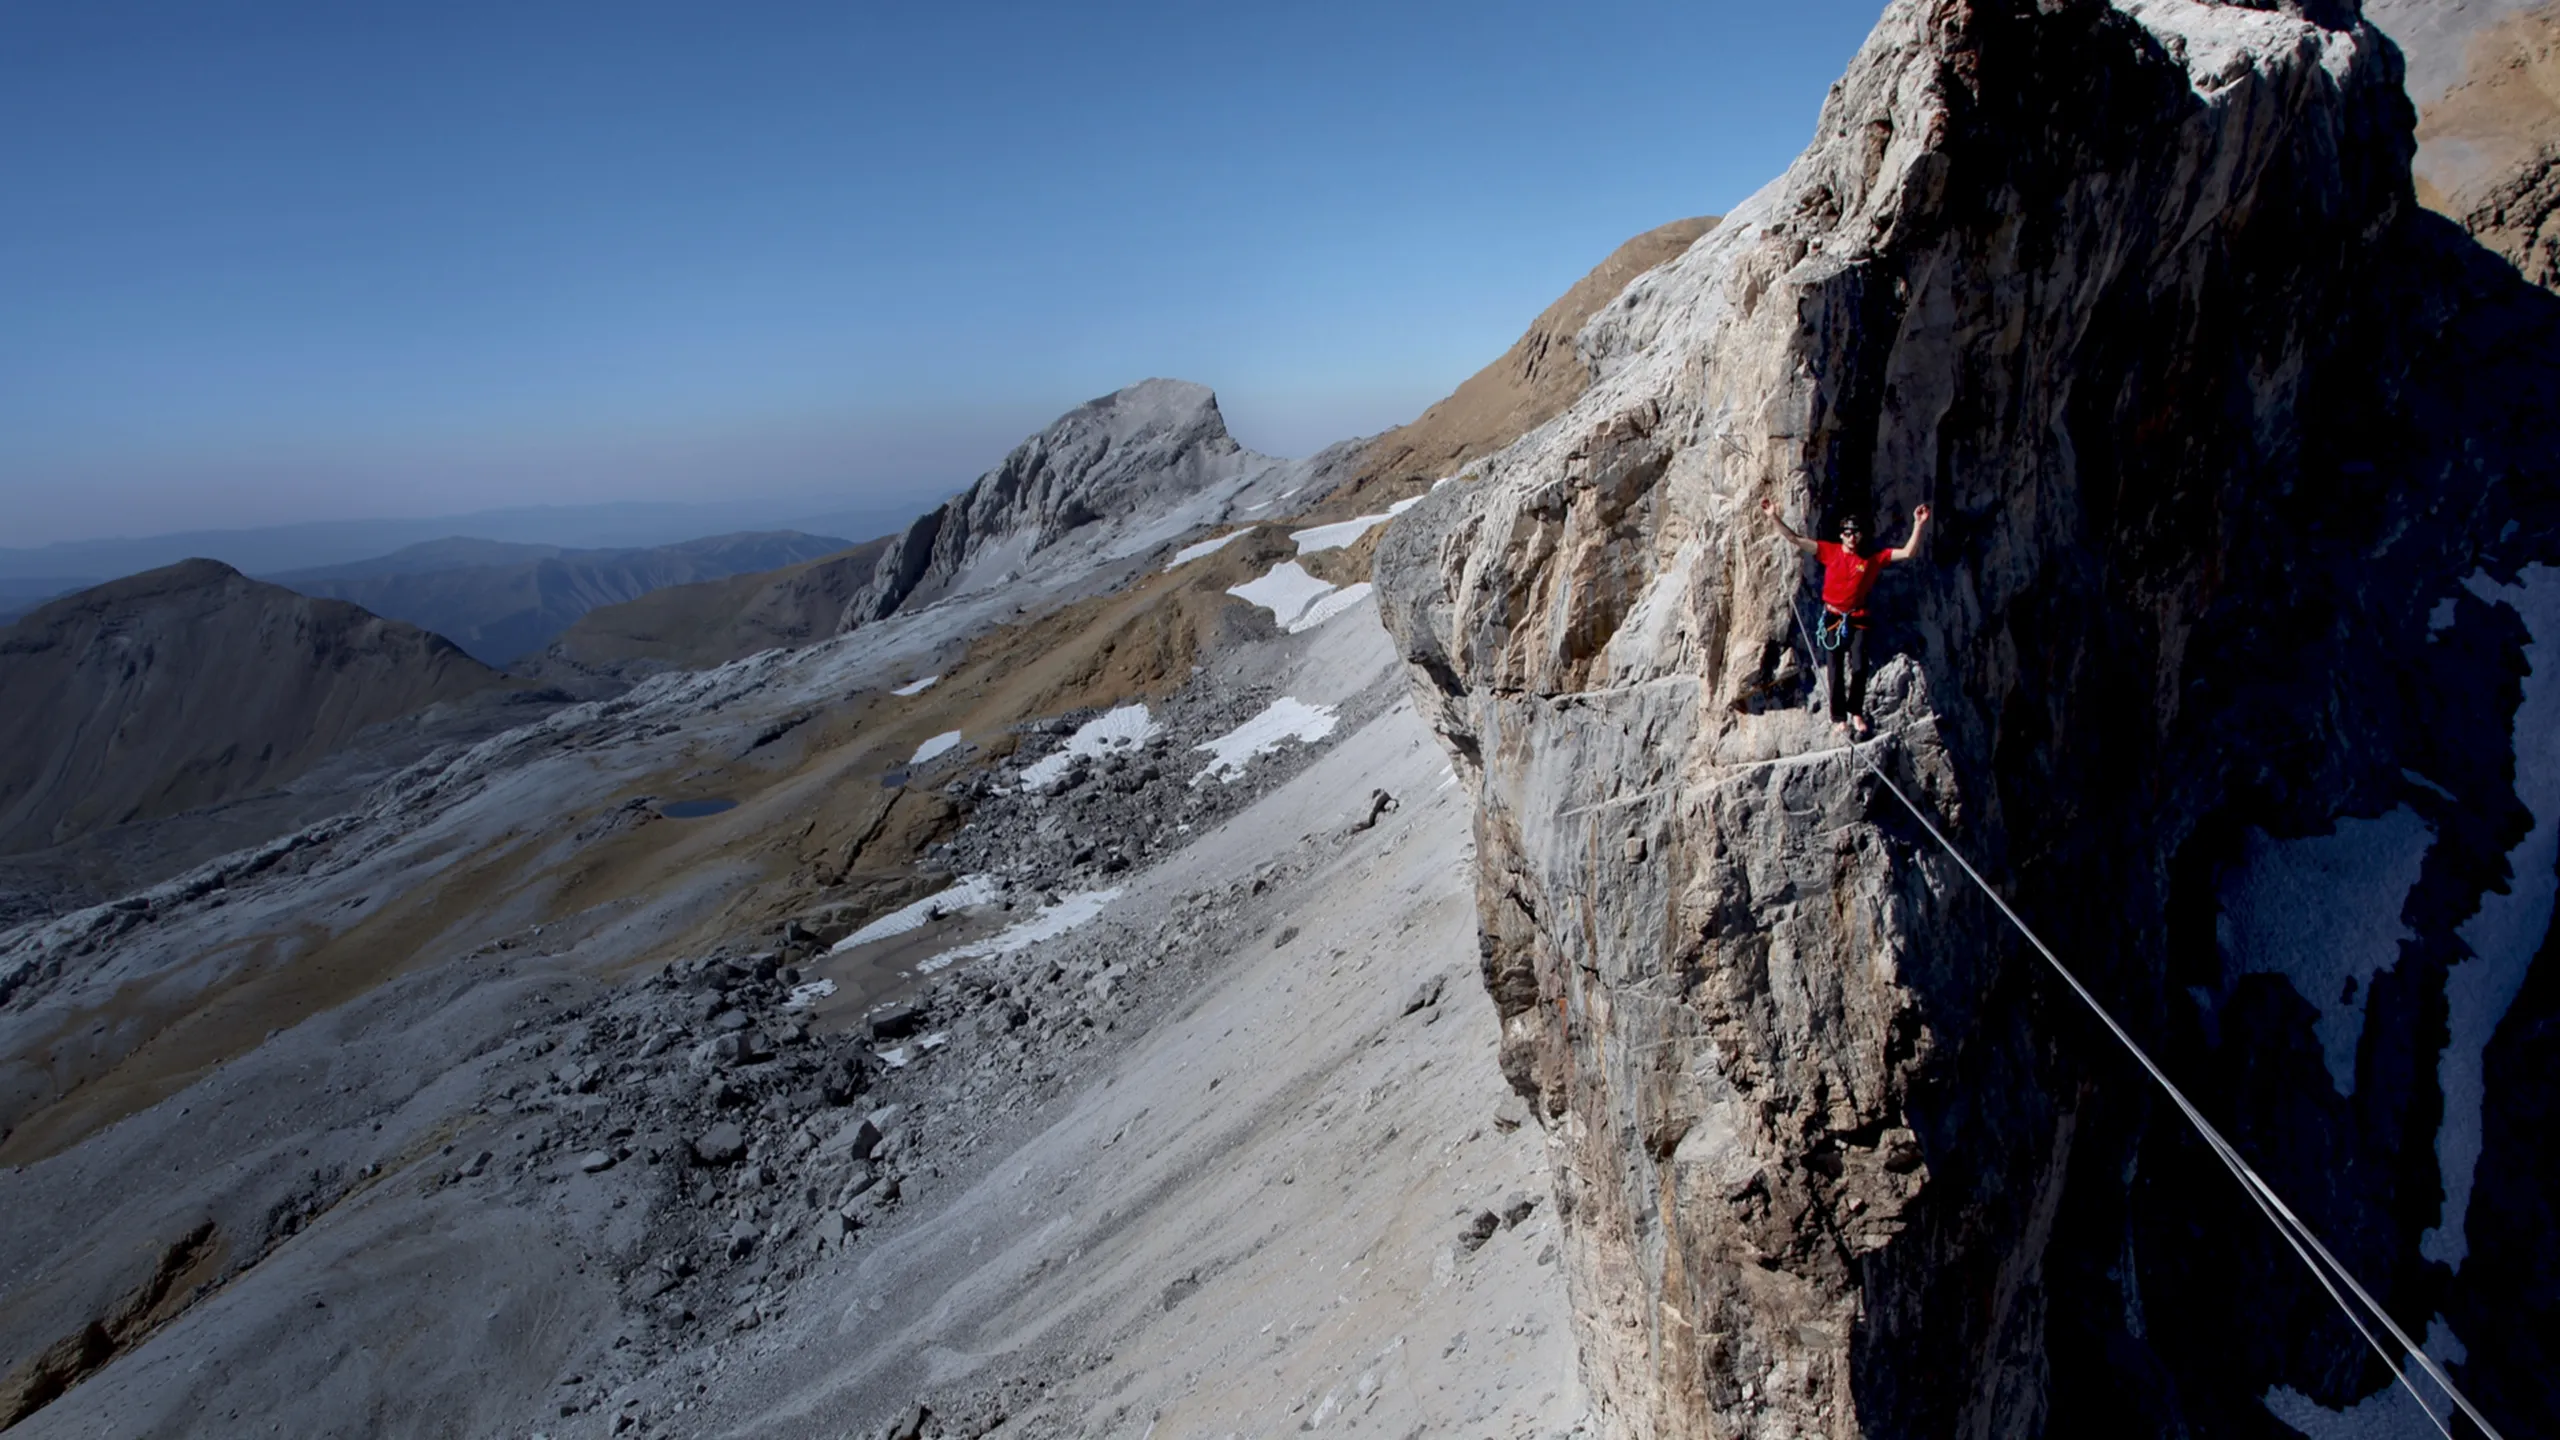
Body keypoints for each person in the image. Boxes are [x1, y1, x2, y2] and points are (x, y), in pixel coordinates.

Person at [1760, 496, 1930, 737]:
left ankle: (1856, 712)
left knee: (1859, 667)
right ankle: (1839, 717)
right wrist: (1774, 517)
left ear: (1860, 536)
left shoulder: (1871, 560)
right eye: (1848, 533)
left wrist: (1919, 524)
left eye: (1855, 533)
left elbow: (1907, 553)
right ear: (1841, 535)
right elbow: (1794, 539)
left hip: (1857, 618)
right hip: (1832, 618)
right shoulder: (1829, 552)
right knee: (1834, 669)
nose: (1852, 537)